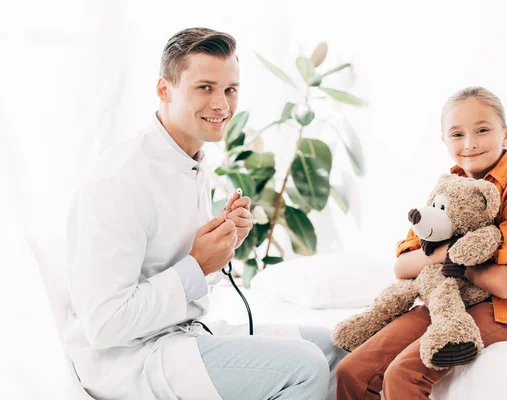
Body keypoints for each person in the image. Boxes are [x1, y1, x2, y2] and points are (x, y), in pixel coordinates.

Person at [64, 27, 346, 400]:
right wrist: (198, 265)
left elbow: (183, 276)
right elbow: (105, 324)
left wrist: (223, 247)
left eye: (230, 90)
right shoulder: (121, 179)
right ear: (164, 89)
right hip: (129, 360)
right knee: (304, 365)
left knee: (333, 346)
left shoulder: (190, 162)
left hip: (178, 336)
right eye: (205, 88)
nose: (222, 105)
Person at [335, 86, 507, 399]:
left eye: (482, 130)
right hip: (448, 299)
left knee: (403, 373)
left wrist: (449, 262)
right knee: (352, 371)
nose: (469, 143)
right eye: (456, 134)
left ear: (505, 135)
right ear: (443, 140)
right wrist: (444, 256)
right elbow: (403, 266)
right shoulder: (447, 187)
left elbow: (505, 284)